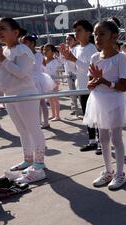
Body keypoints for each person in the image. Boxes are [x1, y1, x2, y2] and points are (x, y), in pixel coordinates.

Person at [0, 17, 47, 183]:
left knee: (33, 128)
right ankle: (28, 159)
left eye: (3, 28)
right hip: (9, 94)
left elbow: (22, 73)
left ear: (15, 32)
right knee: (22, 130)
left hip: (25, 93)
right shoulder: (5, 51)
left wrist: (1, 58)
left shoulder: (22, 50)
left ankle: (39, 163)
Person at [84, 18, 126, 191]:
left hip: (114, 101)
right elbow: (90, 81)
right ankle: (108, 171)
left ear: (114, 36)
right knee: (103, 138)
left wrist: (105, 82)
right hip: (98, 101)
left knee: (116, 138)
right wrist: (92, 83)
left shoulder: (120, 58)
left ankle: (120, 174)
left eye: (102, 34)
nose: (97, 38)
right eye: (95, 34)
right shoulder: (94, 57)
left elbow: (123, 86)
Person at [60, 19, 100, 153]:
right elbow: (74, 69)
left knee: (96, 116)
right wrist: (67, 58)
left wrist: (74, 60)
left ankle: (101, 142)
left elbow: (91, 69)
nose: (76, 34)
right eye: (75, 31)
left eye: (79, 30)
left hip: (91, 88)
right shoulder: (76, 48)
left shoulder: (91, 48)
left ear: (88, 33)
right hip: (81, 87)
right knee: (87, 115)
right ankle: (92, 141)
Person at [21, 35, 55, 129]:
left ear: (32, 44)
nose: (23, 45)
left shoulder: (35, 55)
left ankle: (45, 122)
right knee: (37, 103)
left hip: (37, 80)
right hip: (35, 79)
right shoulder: (35, 55)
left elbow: (34, 67)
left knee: (41, 102)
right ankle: (39, 121)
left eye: (25, 43)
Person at [43, 44, 62, 121]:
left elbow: (53, 71)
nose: (45, 51)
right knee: (50, 99)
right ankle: (53, 114)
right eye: (44, 49)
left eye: (47, 50)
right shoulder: (43, 59)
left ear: (53, 51)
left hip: (54, 81)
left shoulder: (55, 61)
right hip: (46, 81)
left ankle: (57, 116)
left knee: (55, 99)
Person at [62, 34, 80, 116]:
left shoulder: (77, 49)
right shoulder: (66, 49)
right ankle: (74, 108)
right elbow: (62, 62)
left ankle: (82, 108)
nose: (68, 41)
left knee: (79, 92)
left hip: (76, 74)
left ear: (75, 40)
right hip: (68, 74)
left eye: (70, 39)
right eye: (66, 39)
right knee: (72, 92)